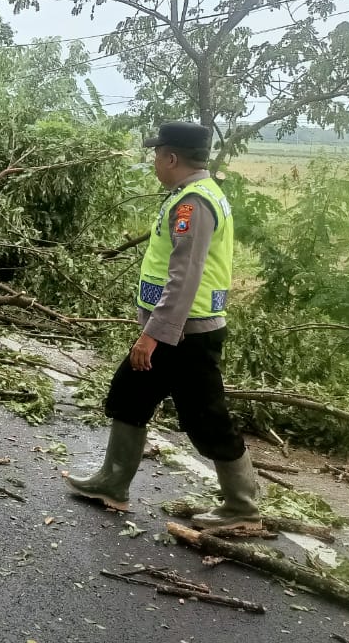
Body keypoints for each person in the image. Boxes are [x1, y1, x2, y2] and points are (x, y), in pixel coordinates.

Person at [63, 122, 258, 528]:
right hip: (177, 329)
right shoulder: (195, 196)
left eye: (157, 155)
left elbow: (184, 277)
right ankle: (112, 484)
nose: (154, 162)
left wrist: (152, 335)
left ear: (171, 158)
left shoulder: (194, 204)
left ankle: (242, 508)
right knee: (128, 396)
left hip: (186, 334)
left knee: (206, 417)